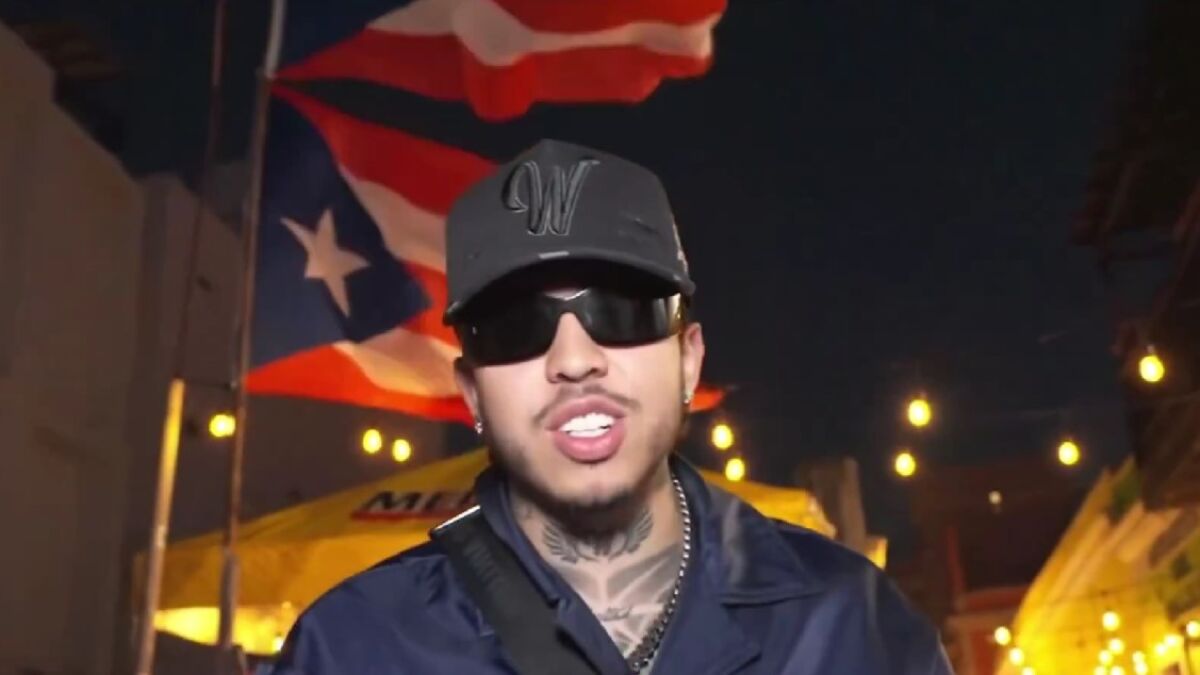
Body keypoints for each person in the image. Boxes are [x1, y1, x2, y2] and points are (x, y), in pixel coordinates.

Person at [271, 140, 954, 674]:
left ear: (689, 361)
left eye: (621, 310)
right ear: (473, 393)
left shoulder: (852, 629)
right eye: (516, 327)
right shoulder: (355, 649)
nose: (574, 358)